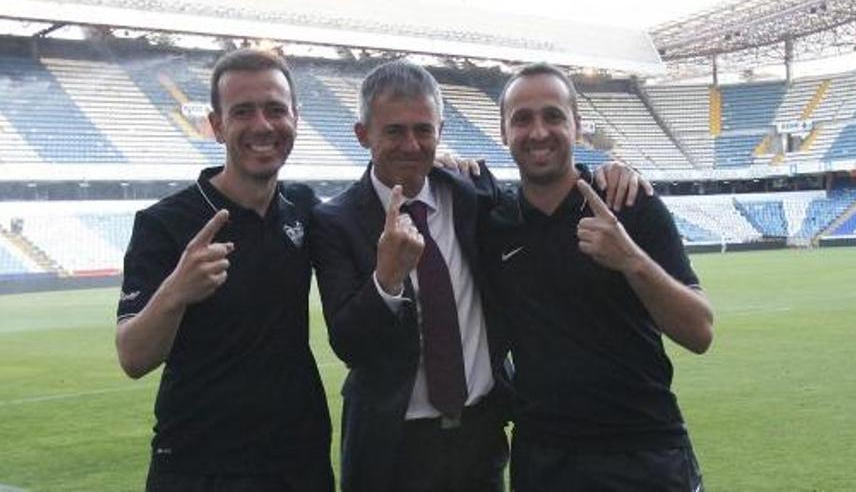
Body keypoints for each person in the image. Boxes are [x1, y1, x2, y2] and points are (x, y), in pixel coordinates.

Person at [310, 60, 647, 492]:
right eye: (394, 131)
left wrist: (611, 172)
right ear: (363, 135)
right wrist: (386, 280)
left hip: (479, 440)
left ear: (441, 130)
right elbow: (349, 344)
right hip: (391, 450)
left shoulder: (471, 193)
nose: (411, 145)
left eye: (424, 130)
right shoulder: (335, 221)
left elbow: (547, 197)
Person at [480, 63, 714, 491]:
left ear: (576, 125)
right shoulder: (493, 225)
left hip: (646, 453)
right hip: (544, 460)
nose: (538, 132)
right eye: (522, 119)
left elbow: (699, 332)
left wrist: (631, 260)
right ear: (503, 131)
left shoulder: (629, 205)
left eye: (553, 115)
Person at [115, 49, 333, 492]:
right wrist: (176, 292)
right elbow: (133, 358)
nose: (262, 126)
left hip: (299, 462)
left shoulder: (305, 209)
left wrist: (438, 166)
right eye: (242, 112)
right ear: (216, 126)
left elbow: (377, 194)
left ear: (296, 117)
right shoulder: (164, 223)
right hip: (200, 467)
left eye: (275, 110)